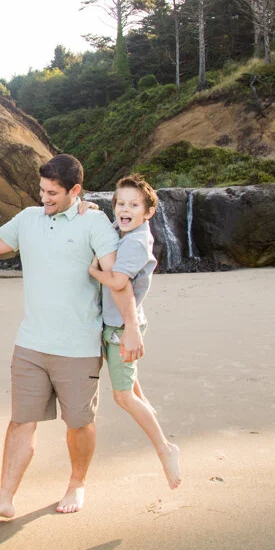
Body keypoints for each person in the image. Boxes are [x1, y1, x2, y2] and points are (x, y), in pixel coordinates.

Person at [0, 154, 144, 519]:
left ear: (75, 190)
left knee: (79, 423)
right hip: (31, 343)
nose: (45, 198)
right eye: (41, 190)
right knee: (20, 421)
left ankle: (77, 484)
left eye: (53, 192)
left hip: (79, 346)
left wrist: (131, 329)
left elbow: (118, 279)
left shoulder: (95, 222)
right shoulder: (28, 219)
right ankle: (5, 496)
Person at [88, 175, 181, 489]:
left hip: (120, 329)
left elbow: (117, 282)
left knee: (123, 395)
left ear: (148, 212)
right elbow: (108, 229)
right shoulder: (126, 230)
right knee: (131, 382)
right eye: (120, 203)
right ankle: (149, 410)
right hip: (116, 324)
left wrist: (93, 271)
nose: (124, 209)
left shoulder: (138, 241)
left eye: (133, 204)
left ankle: (165, 448)